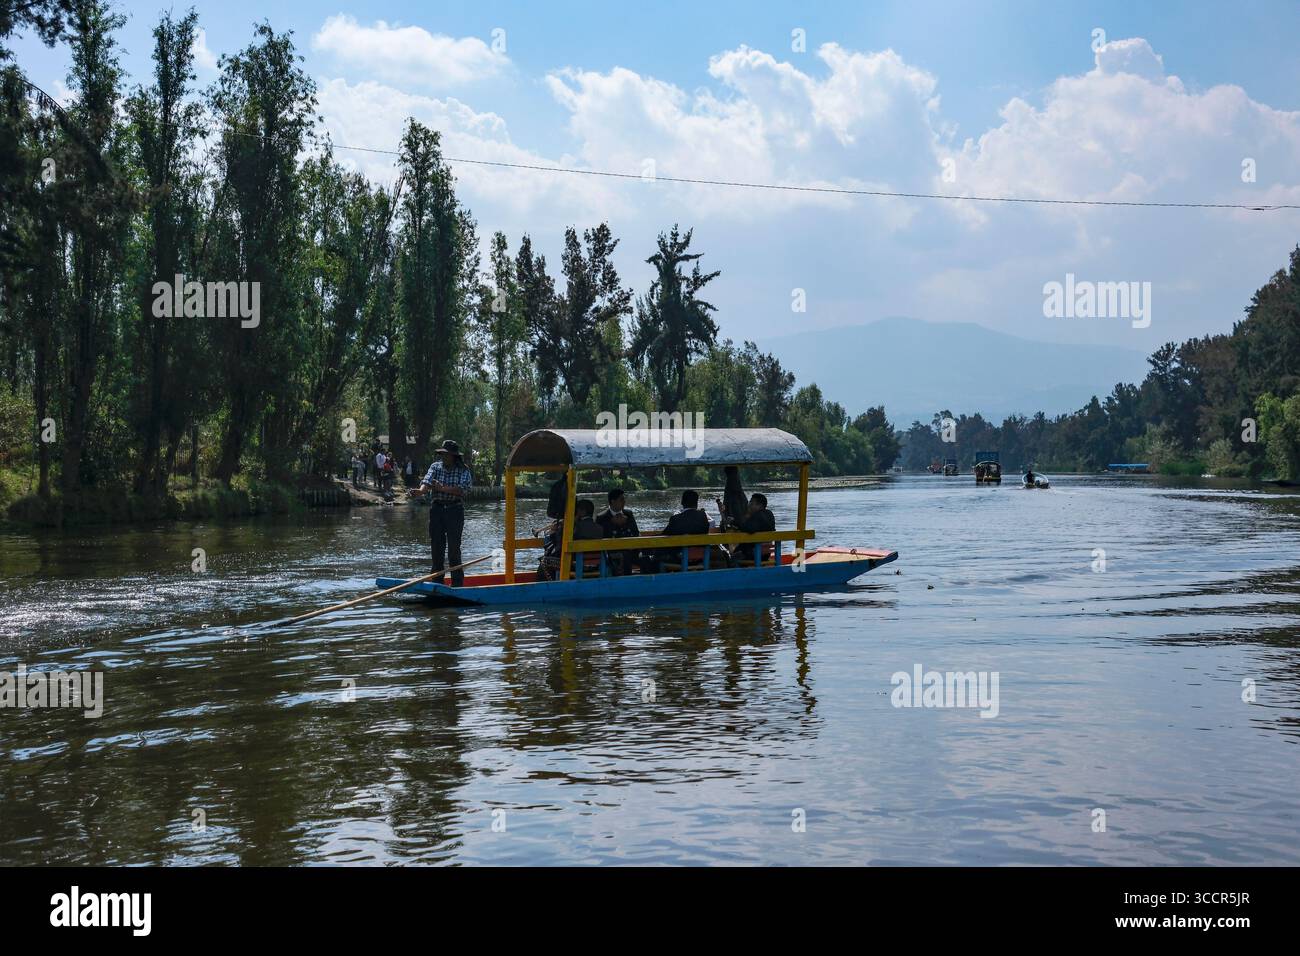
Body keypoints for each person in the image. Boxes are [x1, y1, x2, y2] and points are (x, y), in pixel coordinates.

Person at [413, 439, 473, 586]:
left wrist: (442, 488)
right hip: (437, 510)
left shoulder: (463, 470)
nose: (443, 457)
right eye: (442, 455)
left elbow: (462, 490)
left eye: (446, 455)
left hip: (454, 511)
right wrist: (419, 492)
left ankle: (457, 584)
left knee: (454, 550)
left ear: (453, 456)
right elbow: (426, 482)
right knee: (437, 548)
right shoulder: (435, 467)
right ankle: (437, 582)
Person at [596, 487, 641, 575]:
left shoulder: (629, 514)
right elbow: (601, 537)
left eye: (624, 499)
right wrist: (613, 524)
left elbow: (635, 532)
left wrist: (625, 524)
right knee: (624, 557)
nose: (624, 502)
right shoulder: (602, 517)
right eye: (621, 499)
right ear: (613, 501)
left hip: (631, 550)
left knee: (646, 558)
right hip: (613, 552)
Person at [715, 465, 749, 531]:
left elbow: (736, 522)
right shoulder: (740, 494)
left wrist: (723, 515)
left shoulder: (732, 496)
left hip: (735, 534)